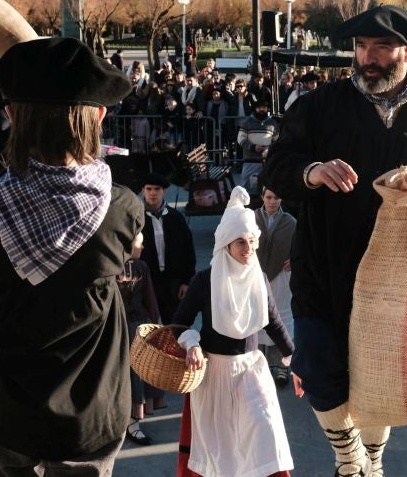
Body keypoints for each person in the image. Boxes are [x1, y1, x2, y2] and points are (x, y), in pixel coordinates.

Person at [263, 4, 407, 476]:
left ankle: (375, 459)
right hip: (323, 263)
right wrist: (313, 171)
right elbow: (277, 165)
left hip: (399, 270)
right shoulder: (319, 105)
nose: (368, 57)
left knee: (379, 374)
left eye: (381, 48)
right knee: (322, 370)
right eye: (362, 47)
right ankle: (348, 458)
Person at [0, 37, 142, 473]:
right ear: (98, 115)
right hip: (91, 409)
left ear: (13, 116)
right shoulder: (122, 207)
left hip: (5, 404)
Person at [173, 187, 294, 477]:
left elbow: (274, 323)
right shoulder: (204, 281)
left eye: (251, 241)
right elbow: (179, 323)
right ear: (226, 243)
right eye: (240, 241)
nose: (247, 248)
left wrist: (296, 360)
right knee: (220, 450)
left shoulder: (259, 277)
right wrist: (192, 344)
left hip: (252, 372)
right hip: (214, 375)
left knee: (265, 436)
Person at [116, 231, 164, 446]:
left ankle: (133, 423)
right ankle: (116, 421)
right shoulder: (110, 268)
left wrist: (155, 326)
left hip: (137, 326)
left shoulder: (142, 267)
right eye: (139, 243)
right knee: (116, 376)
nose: (142, 247)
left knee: (137, 374)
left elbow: (150, 298)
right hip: (115, 329)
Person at [140, 173, 196, 324]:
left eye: (157, 189)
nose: (152, 193)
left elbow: (188, 251)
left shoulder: (176, 218)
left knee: (174, 325)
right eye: (149, 189)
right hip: (148, 281)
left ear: (163, 191)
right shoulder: (136, 218)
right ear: (143, 191)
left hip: (173, 282)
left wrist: (186, 281)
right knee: (147, 326)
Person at [255, 186, 297, 385]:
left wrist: (295, 259)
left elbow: (301, 246)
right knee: (257, 318)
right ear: (262, 197)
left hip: (281, 277)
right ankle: (259, 365)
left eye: (277, 197)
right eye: (269, 197)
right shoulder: (251, 218)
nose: (272, 201)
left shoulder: (290, 222)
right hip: (255, 276)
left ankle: (283, 367)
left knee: (281, 318)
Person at [238, 99, 279, 190]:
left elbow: (277, 141)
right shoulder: (247, 122)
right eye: (259, 108)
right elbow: (240, 139)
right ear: (255, 109)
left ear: (267, 109)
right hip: (250, 161)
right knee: (244, 188)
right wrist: (253, 147)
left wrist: (269, 149)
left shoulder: (273, 123)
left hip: (268, 162)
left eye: (264, 107)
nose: (261, 109)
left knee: (268, 188)